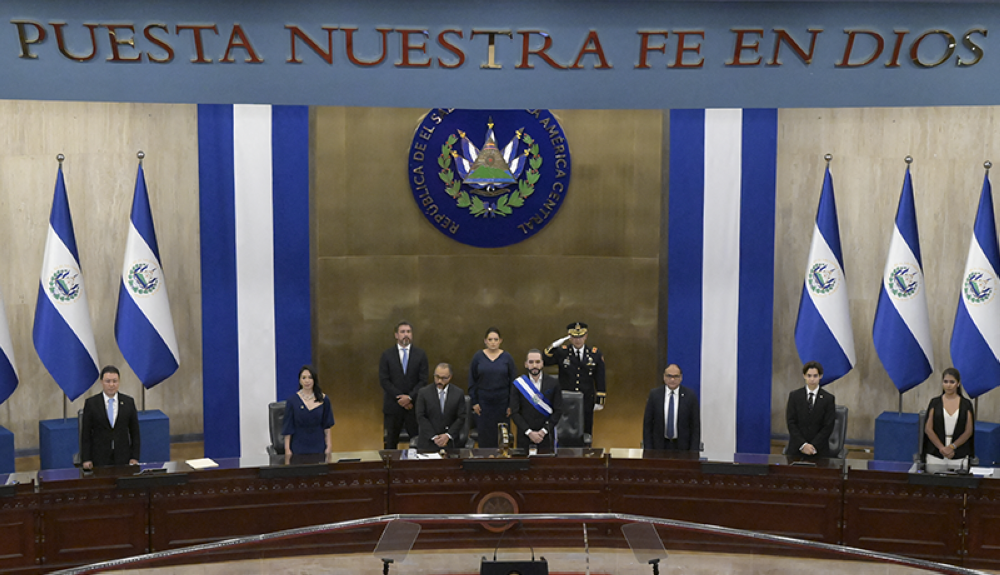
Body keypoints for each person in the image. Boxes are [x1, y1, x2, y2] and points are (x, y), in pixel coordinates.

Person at [544, 322, 606, 437]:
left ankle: (586, 453)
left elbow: (600, 377)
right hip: (566, 400)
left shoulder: (595, 354)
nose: (578, 340)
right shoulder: (562, 352)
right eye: (574, 337)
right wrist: (553, 346)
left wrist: (600, 399)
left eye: (581, 336)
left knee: (586, 430)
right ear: (569, 337)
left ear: (586, 336)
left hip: (586, 398)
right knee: (566, 431)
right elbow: (545, 361)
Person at [378, 321, 429, 449]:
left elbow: (423, 380)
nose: (406, 335)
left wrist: (409, 398)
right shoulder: (387, 355)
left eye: (408, 332)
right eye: (402, 332)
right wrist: (400, 398)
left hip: (414, 407)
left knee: (417, 443)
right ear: (396, 335)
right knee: (391, 443)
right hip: (393, 407)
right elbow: (384, 380)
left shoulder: (420, 354)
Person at [80, 365, 140, 469]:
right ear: (101, 382)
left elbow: (135, 432)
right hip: (99, 457)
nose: (111, 385)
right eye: (108, 381)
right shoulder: (91, 403)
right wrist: (86, 458)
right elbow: (86, 434)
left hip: (123, 457)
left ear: (119, 382)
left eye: (114, 381)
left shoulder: (128, 402)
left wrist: (135, 457)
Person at [469, 326, 517, 448]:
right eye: (490, 339)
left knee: (502, 435)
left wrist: (511, 404)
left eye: (496, 339)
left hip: (502, 403)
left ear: (500, 341)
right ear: (485, 341)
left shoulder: (507, 357)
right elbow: (472, 380)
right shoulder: (478, 357)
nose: (493, 342)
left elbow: (513, 382)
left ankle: (501, 460)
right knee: (485, 435)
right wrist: (474, 402)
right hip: (483, 404)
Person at [510, 349, 563, 450]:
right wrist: (529, 432)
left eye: (538, 362)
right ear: (526, 364)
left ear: (542, 364)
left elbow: (558, 411)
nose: (534, 365)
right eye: (531, 362)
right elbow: (514, 412)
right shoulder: (518, 384)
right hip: (524, 437)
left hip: (546, 436)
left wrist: (543, 431)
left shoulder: (553, 383)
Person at [924, 367, 975, 469]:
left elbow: (968, 431)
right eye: (945, 382)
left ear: (958, 383)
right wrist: (942, 448)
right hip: (936, 453)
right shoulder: (935, 402)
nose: (948, 385)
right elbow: (928, 429)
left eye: (952, 382)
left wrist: (952, 447)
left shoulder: (966, 404)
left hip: (959, 453)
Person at [642, 364, 701, 451]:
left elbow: (695, 427)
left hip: (683, 448)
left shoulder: (690, 396)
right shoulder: (655, 395)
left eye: (676, 376)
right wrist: (648, 450)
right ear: (664, 377)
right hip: (659, 447)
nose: (672, 379)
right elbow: (648, 425)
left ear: (681, 378)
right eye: (669, 376)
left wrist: (694, 452)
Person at [785, 361, 836, 458]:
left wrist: (812, 446)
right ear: (804, 376)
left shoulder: (828, 399)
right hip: (797, 448)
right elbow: (791, 422)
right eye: (809, 376)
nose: (812, 379)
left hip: (819, 450)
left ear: (820, 376)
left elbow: (828, 426)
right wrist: (803, 445)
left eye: (815, 376)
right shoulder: (795, 396)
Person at [282, 365, 334, 456]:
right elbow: (288, 428)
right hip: (298, 447)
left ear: (314, 379)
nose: (307, 381)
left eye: (310, 377)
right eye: (304, 378)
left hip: (319, 446)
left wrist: (329, 446)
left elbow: (327, 426)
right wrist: (287, 449)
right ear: (300, 380)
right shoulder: (292, 401)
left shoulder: (324, 399)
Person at [415, 363, 467, 450]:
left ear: (450, 377)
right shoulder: (423, 393)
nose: (439, 381)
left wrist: (447, 435)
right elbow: (420, 417)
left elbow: (461, 417)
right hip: (428, 442)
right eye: (437, 377)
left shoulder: (458, 393)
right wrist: (434, 437)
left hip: (451, 443)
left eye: (443, 378)